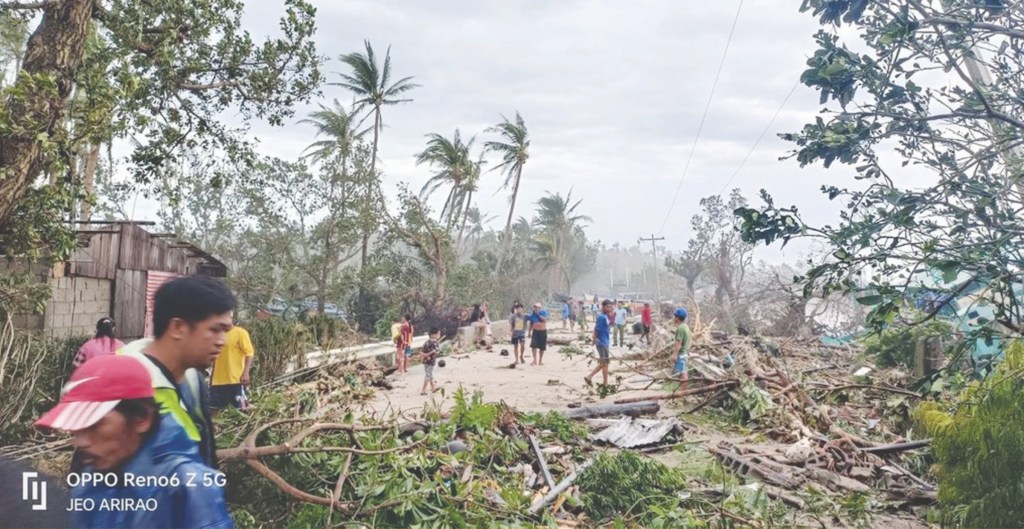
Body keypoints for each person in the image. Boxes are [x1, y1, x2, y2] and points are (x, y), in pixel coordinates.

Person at [35, 355, 233, 529]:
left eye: (95, 425)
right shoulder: (90, 481)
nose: (81, 442)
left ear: (141, 419)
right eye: (77, 428)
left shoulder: (189, 488)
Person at [118, 275, 235, 468]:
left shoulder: (193, 379)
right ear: (178, 328)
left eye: (225, 331)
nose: (223, 341)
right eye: (215, 330)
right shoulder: (122, 386)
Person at [209, 322, 255, 412]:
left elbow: (249, 353)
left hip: (235, 380)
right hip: (217, 381)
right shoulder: (216, 335)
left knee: (239, 411)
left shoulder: (240, 333)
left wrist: (246, 373)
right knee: (215, 410)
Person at [585, 300, 614, 387]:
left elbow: (596, 327)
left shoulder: (605, 316)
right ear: (603, 307)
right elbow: (597, 329)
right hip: (602, 342)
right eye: (607, 307)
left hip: (605, 341)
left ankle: (605, 382)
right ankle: (589, 377)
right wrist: (595, 339)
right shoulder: (602, 317)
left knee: (605, 363)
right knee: (604, 363)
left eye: (610, 307)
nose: (609, 308)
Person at [672, 307, 693, 390]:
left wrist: (674, 355)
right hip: (685, 353)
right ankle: (683, 391)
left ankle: (683, 392)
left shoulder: (680, 328)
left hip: (681, 354)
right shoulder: (686, 327)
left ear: (677, 318)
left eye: (674, 316)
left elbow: (678, 343)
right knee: (683, 372)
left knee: (683, 373)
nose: (673, 318)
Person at [420, 328, 440, 395]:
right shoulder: (435, 343)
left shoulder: (426, 342)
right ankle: (423, 390)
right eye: (438, 334)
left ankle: (433, 388)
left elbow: (421, 351)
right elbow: (436, 352)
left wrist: (424, 355)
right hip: (431, 362)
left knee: (429, 374)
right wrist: (429, 354)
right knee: (428, 375)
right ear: (433, 335)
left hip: (425, 361)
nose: (439, 335)